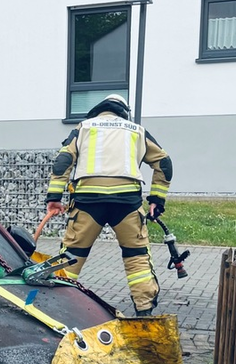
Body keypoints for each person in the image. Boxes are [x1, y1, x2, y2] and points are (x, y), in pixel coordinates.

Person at [45, 94, 172, 316]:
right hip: (127, 204)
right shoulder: (136, 130)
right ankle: (144, 312)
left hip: (88, 203)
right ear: (124, 112)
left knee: (72, 256)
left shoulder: (84, 127)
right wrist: (156, 200)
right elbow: (164, 162)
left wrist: (54, 196)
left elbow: (63, 160)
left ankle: (58, 309)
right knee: (137, 256)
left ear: (99, 109)